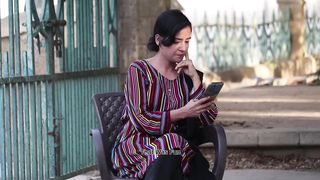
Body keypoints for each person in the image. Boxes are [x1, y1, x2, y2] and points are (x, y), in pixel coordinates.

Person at [111, 9, 218, 180]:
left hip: (175, 152)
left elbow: (208, 118)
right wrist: (184, 112)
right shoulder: (138, 71)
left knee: (174, 145)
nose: (183, 48)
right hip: (138, 149)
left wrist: (196, 80)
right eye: (177, 41)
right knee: (173, 143)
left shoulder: (187, 76)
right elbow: (141, 121)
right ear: (159, 39)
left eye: (187, 41)